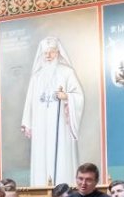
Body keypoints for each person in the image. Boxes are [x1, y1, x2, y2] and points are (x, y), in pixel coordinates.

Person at [21, 37, 83, 186]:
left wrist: (67, 96)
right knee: (41, 156)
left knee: (61, 154)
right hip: (40, 122)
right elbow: (29, 100)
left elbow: (78, 95)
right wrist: (27, 122)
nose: (48, 56)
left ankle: (62, 187)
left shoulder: (67, 72)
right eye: (45, 53)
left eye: (52, 52)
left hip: (61, 124)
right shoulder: (36, 77)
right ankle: (41, 188)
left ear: (58, 53)